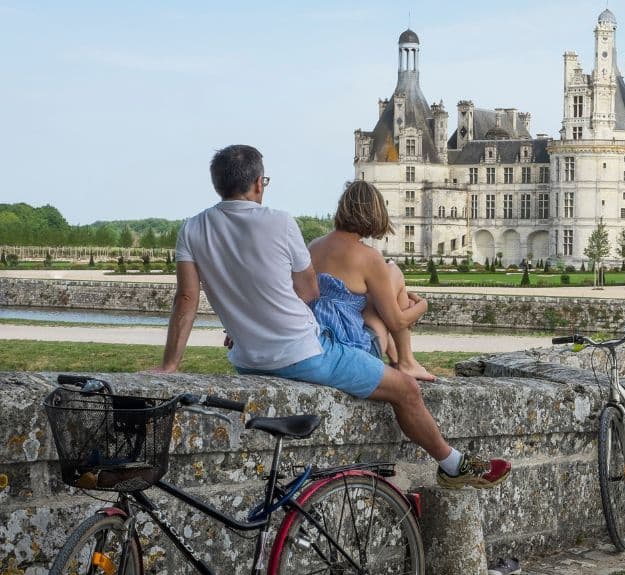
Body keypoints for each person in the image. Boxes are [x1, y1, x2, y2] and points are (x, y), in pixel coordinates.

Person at [153, 145, 509, 489]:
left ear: (218, 184)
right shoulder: (279, 222)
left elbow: (186, 298)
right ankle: (453, 464)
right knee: (406, 390)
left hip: (246, 359)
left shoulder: (192, 228)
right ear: (259, 183)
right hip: (305, 353)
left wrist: (170, 366)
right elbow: (309, 292)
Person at [307, 181, 436, 383]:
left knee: (370, 298)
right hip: (356, 352)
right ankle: (406, 360)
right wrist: (422, 305)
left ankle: (398, 358)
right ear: (375, 213)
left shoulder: (314, 246)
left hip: (321, 344)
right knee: (394, 271)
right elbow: (397, 321)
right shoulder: (369, 257)